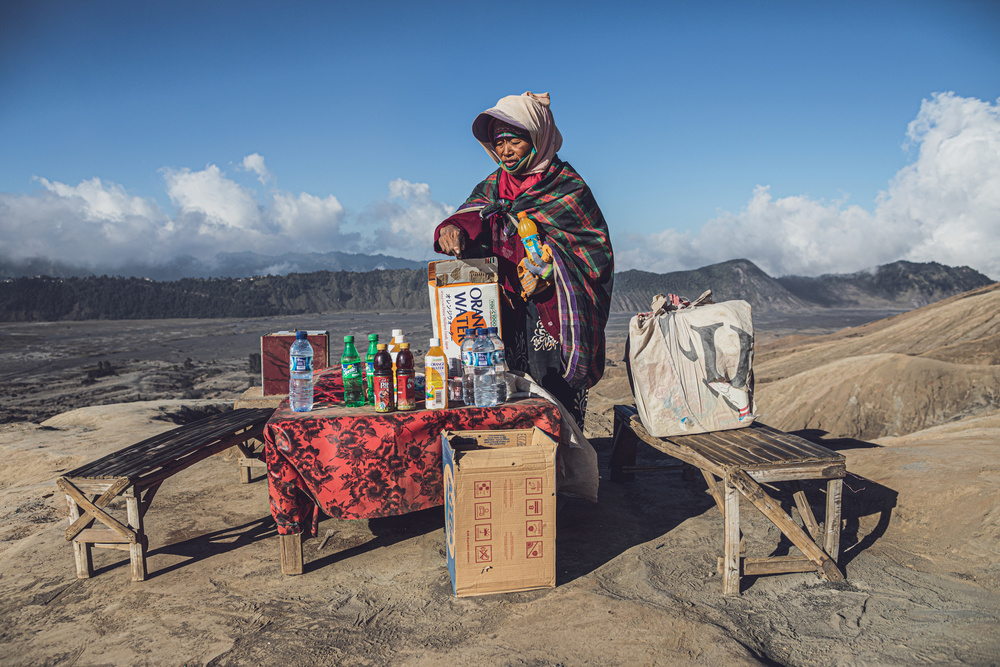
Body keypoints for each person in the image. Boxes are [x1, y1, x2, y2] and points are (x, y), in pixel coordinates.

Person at [434, 91, 614, 428]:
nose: (504, 150)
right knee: (507, 387)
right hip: (506, 307)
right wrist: (451, 229)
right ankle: (524, 462)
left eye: (513, 141)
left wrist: (554, 268)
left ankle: (566, 467)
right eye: (498, 142)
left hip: (552, 306)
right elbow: (470, 215)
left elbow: (593, 251)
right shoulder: (495, 184)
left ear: (537, 138)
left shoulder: (566, 187)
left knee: (552, 390)